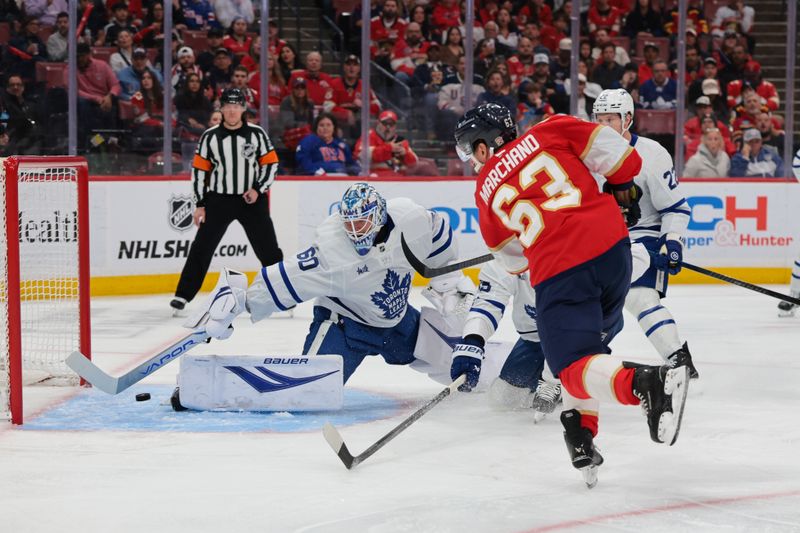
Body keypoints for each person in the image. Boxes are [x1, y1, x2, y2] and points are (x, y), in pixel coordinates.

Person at [452, 103, 690, 487]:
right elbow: (623, 160)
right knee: (588, 353)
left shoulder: (485, 188)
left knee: (570, 368)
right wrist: (618, 182)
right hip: (615, 252)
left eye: (470, 152)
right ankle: (581, 435)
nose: (472, 162)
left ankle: (647, 384)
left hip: (563, 272)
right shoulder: (550, 129)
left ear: (483, 148)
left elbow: (512, 262)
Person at [191, 182, 471, 387]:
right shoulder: (331, 251)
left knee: (459, 362)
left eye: (361, 224)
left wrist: (448, 285)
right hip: (345, 327)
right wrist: (243, 302)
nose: (353, 231)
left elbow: (439, 237)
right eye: (349, 224)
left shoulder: (410, 219)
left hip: (396, 322)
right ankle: (215, 382)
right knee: (309, 389)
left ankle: (498, 376)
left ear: (379, 217)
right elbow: (287, 277)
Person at [592, 89, 699, 379]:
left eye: (610, 119)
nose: (603, 126)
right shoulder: (586, 157)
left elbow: (675, 207)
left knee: (639, 296)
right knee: (586, 303)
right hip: (601, 240)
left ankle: (677, 358)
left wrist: (672, 241)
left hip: (644, 235)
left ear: (627, 119)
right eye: (599, 119)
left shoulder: (651, 154)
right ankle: (581, 361)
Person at [170, 88, 283, 312]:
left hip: (251, 200)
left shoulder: (257, 134)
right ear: (221, 108)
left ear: (243, 108)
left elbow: (271, 164)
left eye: (236, 106)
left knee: (268, 249)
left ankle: (283, 294)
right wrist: (200, 203)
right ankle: (183, 295)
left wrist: (258, 189)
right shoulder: (209, 136)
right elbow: (199, 172)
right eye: (228, 106)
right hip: (218, 200)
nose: (232, 111)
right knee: (201, 248)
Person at [455, 259, 562, 417]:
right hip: (537, 337)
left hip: (587, 333)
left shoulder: (572, 249)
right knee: (504, 398)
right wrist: (473, 342)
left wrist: (551, 378)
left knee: (579, 377)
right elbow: (488, 303)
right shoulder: (507, 250)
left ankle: (576, 380)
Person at [353, 110, 421, 176]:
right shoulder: (369, 136)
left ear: (395, 126)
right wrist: (389, 148)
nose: (388, 127)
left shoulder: (399, 140)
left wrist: (405, 154)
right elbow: (361, 156)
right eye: (385, 123)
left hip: (397, 178)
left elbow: (414, 163)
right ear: (378, 123)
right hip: (374, 177)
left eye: (391, 124)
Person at [295, 113, 360, 176]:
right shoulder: (308, 141)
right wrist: (317, 172)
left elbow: (351, 164)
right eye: (321, 125)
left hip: (342, 179)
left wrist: (356, 171)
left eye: (328, 125)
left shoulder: (341, 145)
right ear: (316, 128)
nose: (325, 128)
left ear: (334, 127)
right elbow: (304, 161)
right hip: (317, 179)